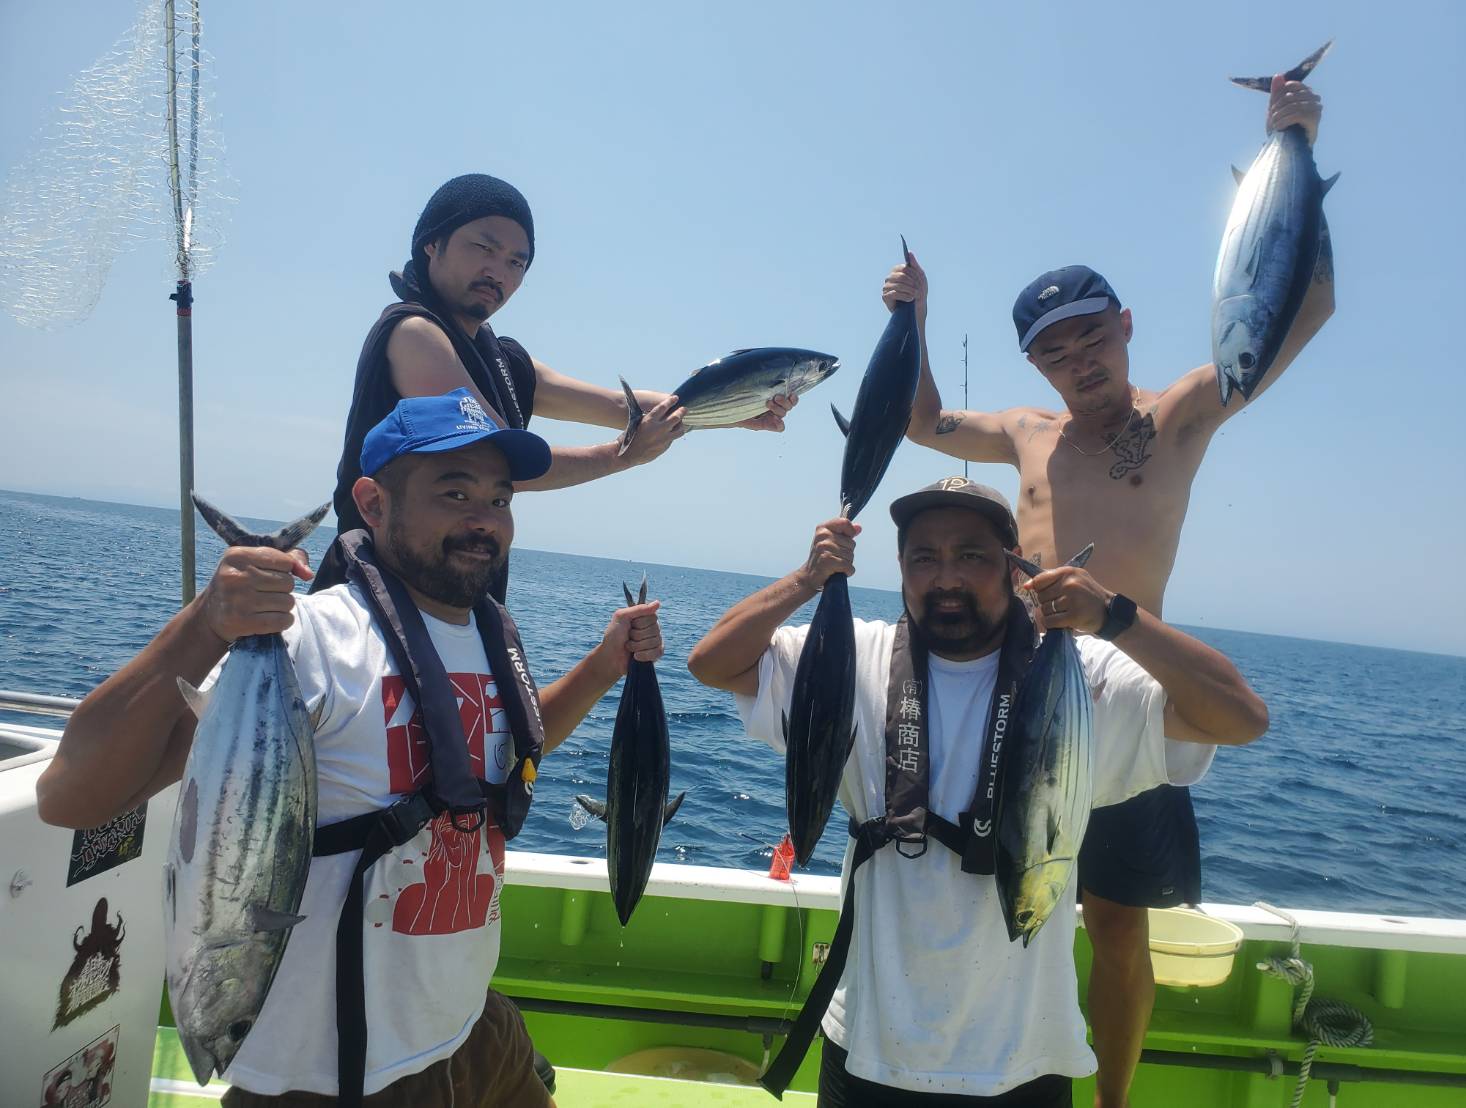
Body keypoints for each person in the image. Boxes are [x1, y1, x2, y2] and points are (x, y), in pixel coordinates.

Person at [883, 74, 1331, 1106]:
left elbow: (1308, 303)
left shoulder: (1180, 411)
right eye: (1052, 349)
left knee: (1116, 919)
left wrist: (1295, 147)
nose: (1075, 360)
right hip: (1020, 682)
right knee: (1000, 887)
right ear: (1033, 363)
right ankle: (983, 1066)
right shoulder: (1024, 435)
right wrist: (913, 316)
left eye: (1091, 336)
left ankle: (1113, 1100)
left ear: (1125, 326)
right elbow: (920, 422)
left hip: (1129, 693)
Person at [37, 389, 667, 1107]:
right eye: (452, 491)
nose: (482, 520)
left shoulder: (490, 636)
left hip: (475, 1030)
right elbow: (70, 797)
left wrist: (602, 664)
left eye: (498, 499)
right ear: (371, 503)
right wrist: (206, 624)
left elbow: (494, 760)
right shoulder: (310, 639)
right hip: (330, 1078)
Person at [687, 477, 1267, 1107]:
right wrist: (808, 579)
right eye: (924, 558)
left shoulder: (1091, 676)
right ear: (902, 569)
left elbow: (1240, 718)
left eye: (971, 556)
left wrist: (1115, 616)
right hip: (868, 1051)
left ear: (1015, 570)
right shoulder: (853, 653)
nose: (946, 578)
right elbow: (712, 663)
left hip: (1025, 1062)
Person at [326, 172, 798, 601]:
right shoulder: (415, 333)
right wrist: (624, 456)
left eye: (517, 261)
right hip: (378, 603)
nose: (500, 272)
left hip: (459, 608)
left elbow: (619, 404)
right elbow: (503, 465)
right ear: (433, 244)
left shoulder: (504, 358)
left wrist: (738, 412)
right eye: (483, 248)